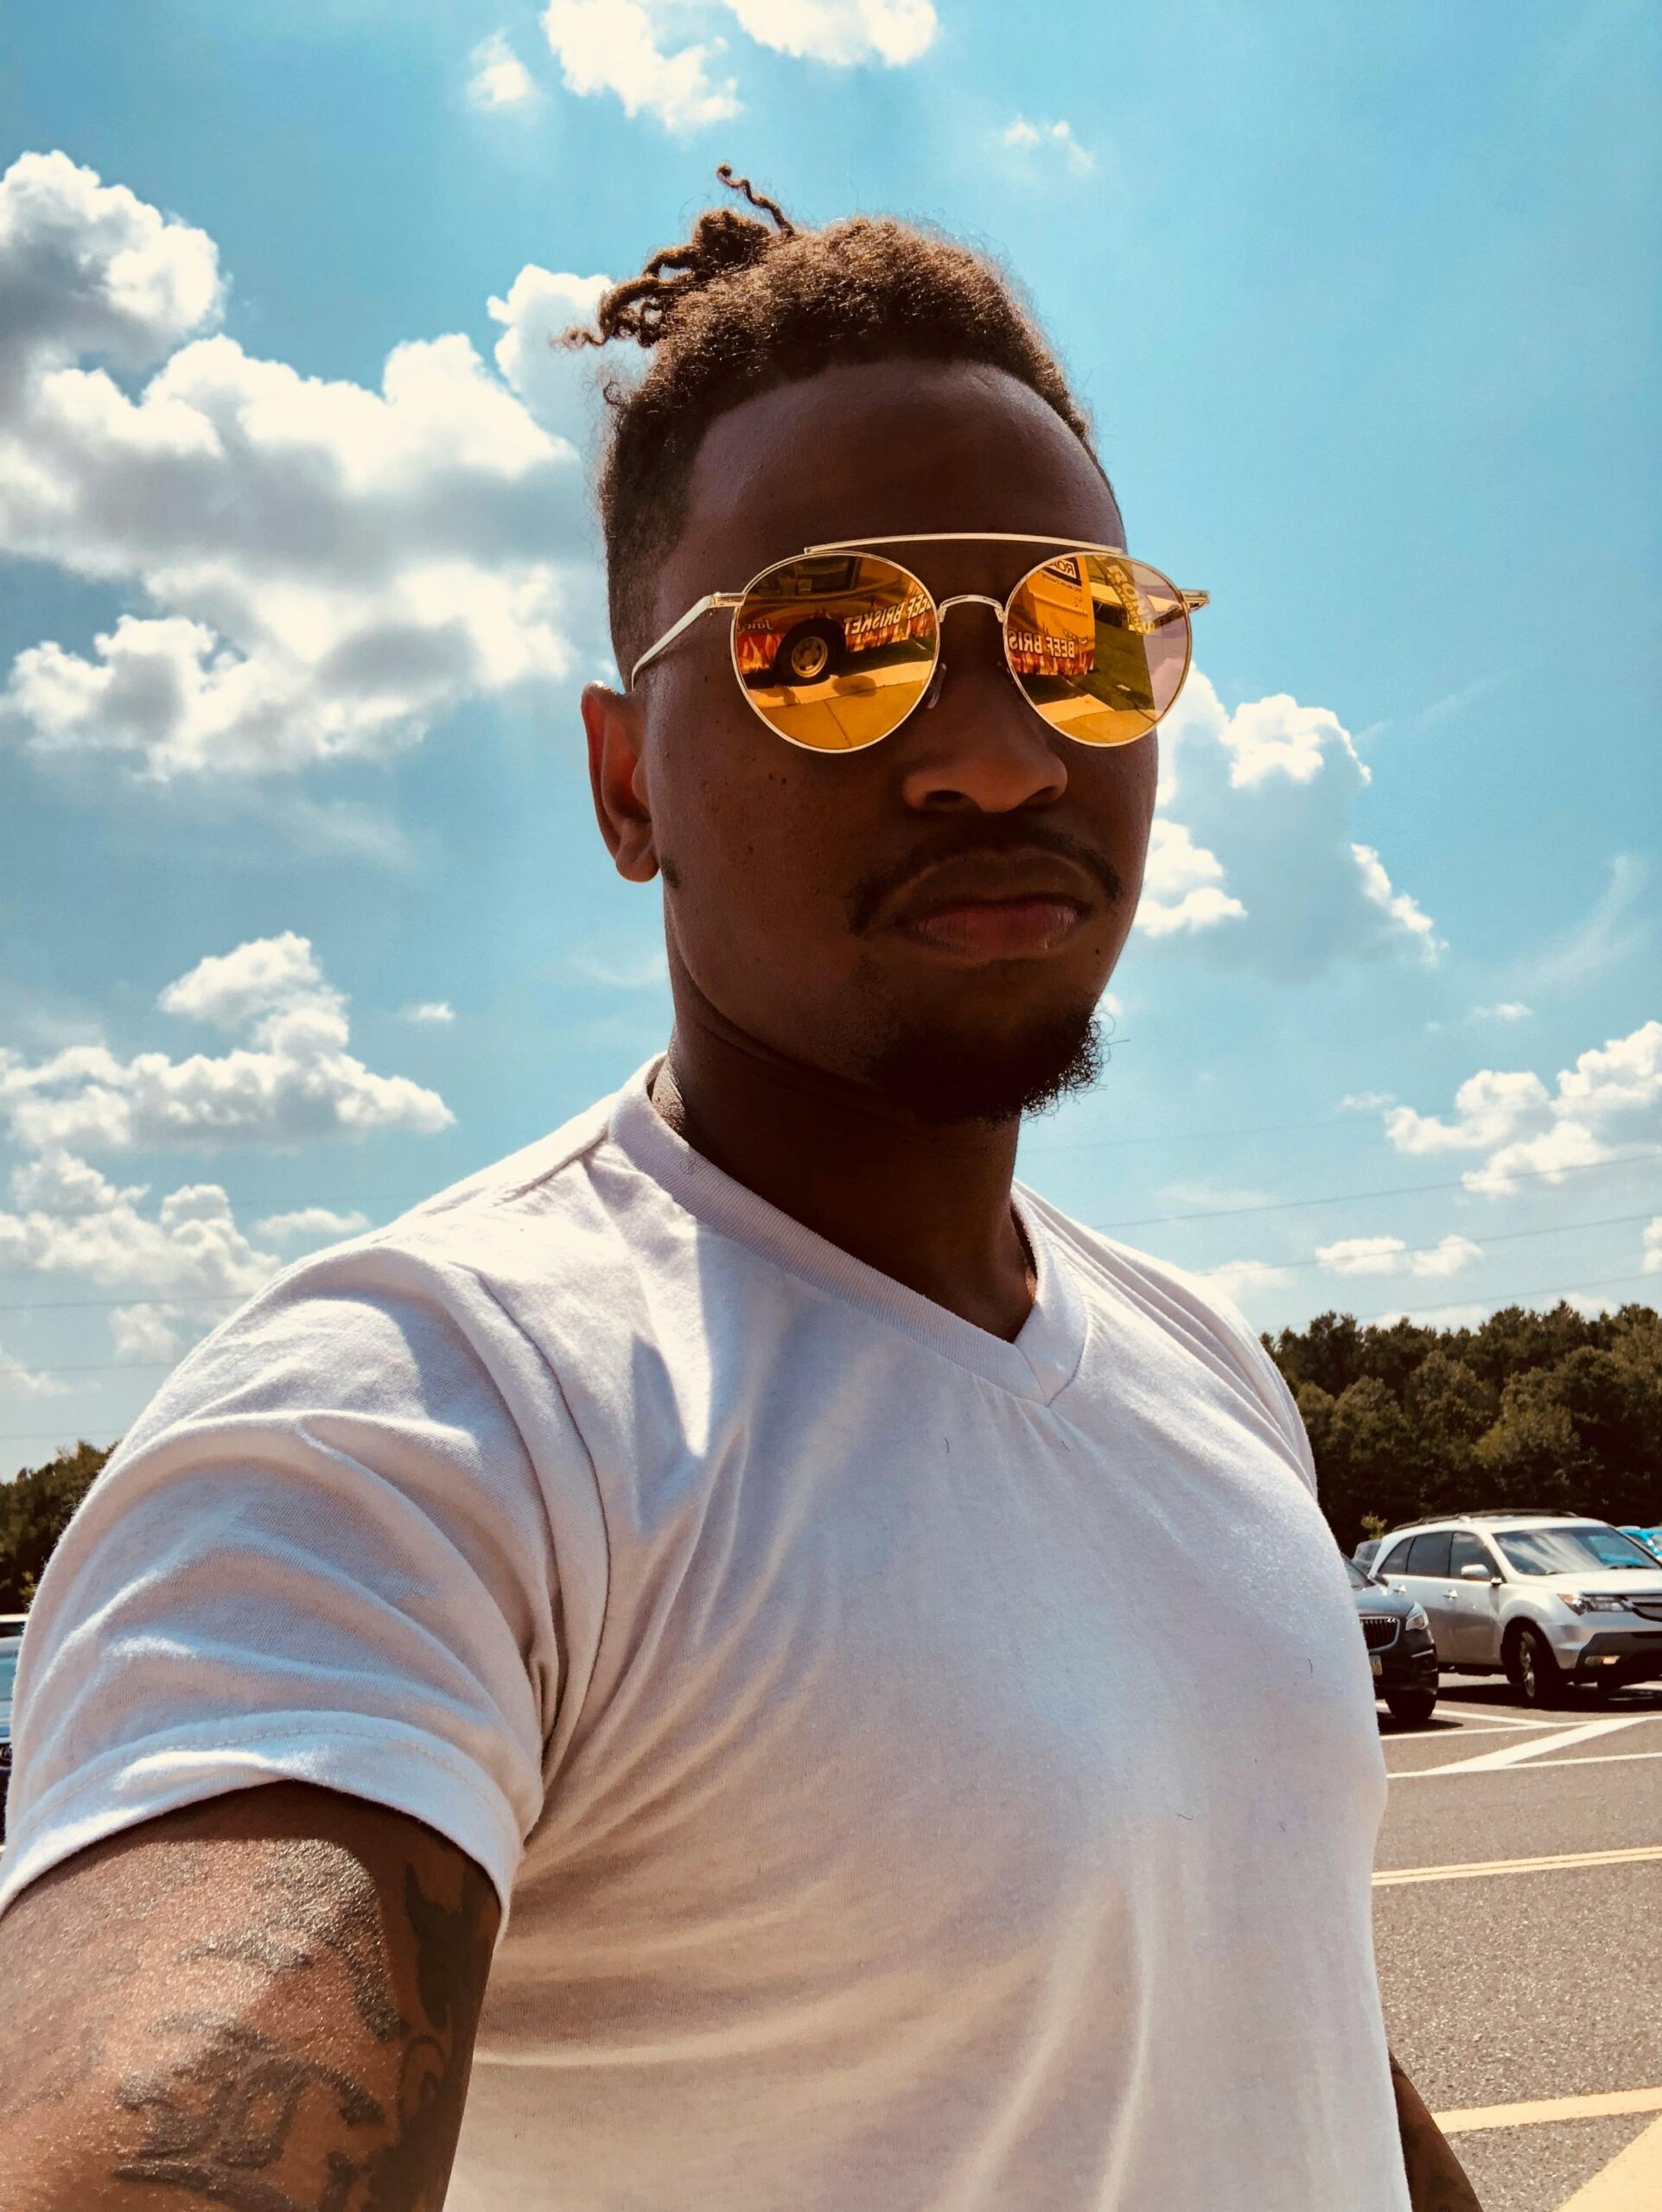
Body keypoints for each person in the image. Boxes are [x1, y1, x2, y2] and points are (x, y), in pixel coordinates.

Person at [0, 171, 1481, 2211]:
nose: (996, 750)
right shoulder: (428, 1421)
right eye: (831, 645)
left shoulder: (1204, 1368)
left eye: (1077, 635)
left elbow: (1255, 1989)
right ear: (628, 784)